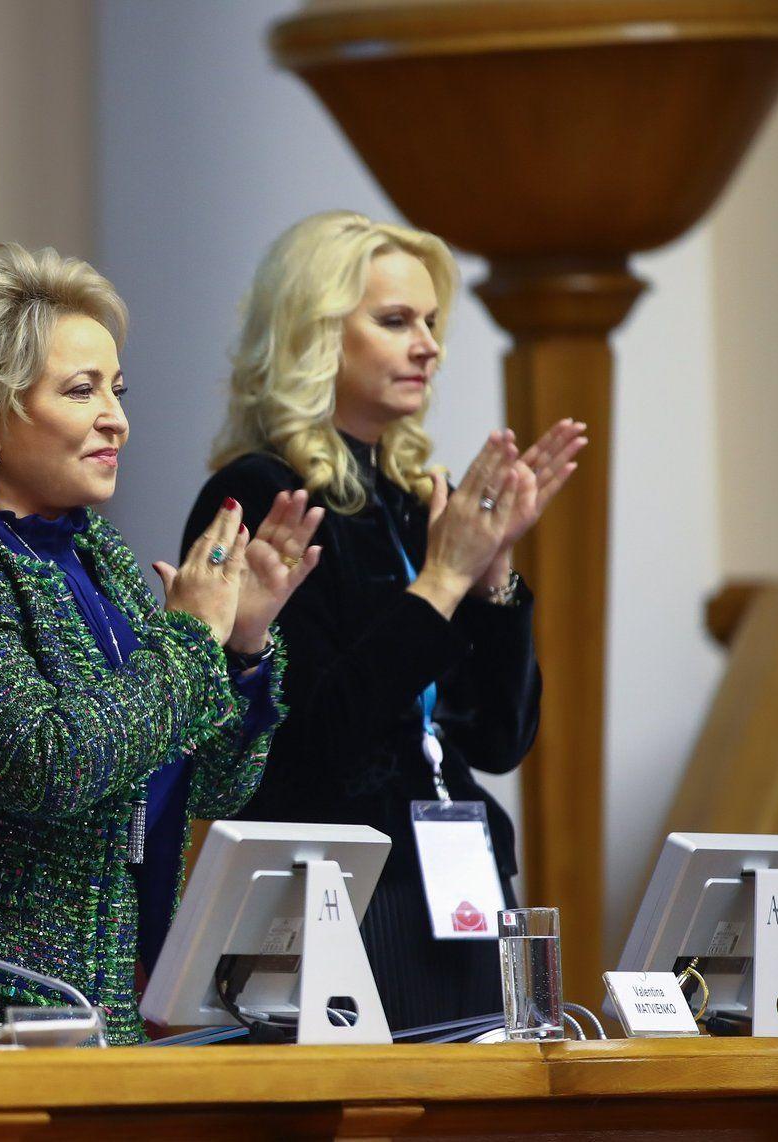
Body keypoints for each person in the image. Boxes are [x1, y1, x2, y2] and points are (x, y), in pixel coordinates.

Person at [0, 242, 322, 1048]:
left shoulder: (97, 558)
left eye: (117, 391)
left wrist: (239, 647)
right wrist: (192, 638)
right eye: (81, 390)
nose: (118, 420)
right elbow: (46, 763)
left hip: (97, 1001)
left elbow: (212, 790)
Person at [184, 210, 586, 1031]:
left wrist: (493, 582)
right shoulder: (266, 497)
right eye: (396, 320)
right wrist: (442, 579)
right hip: (343, 890)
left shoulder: (414, 496)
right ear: (315, 334)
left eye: (432, 322)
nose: (429, 345)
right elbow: (317, 742)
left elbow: (498, 739)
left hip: (462, 872)